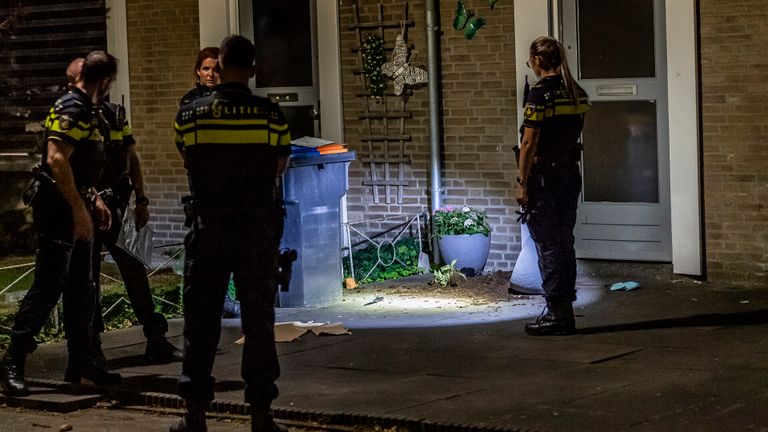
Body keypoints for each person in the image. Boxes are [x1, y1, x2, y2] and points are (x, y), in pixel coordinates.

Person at [170, 35, 291, 432]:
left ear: (218, 66)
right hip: (256, 229)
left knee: (200, 322)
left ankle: (195, 415)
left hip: (209, 229)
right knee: (258, 321)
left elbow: (188, 158)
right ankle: (261, 414)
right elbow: (279, 167)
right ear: (253, 70)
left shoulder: (190, 115)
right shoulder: (271, 115)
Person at [0, 51, 122, 395]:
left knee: (82, 288)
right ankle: (13, 360)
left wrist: (93, 199)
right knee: (48, 286)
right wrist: (78, 210)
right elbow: (56, 158)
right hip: (57, 212)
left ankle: (82, 361)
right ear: (104, 80)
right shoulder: (73, 106)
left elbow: (82, 166)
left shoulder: (89, 110)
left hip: (76, 207)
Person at [65, 58, 184, 365]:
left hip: (117, 204)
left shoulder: (115, 115)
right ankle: (92, 346)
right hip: (89, 207)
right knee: (88, 279)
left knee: (135, 270)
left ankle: (155, 338)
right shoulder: (71, 116)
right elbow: (69, 166)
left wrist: (142, 199)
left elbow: (130, 156)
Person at [516, 36, 590, 336]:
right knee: (564, 242)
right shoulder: (575, 91)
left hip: (545, 177)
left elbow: (529, 142)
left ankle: (557, 314)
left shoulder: (540, 94)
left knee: (548, 245)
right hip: (569, 174)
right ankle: (565, 309)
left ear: (536, 61)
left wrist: (522, 182)